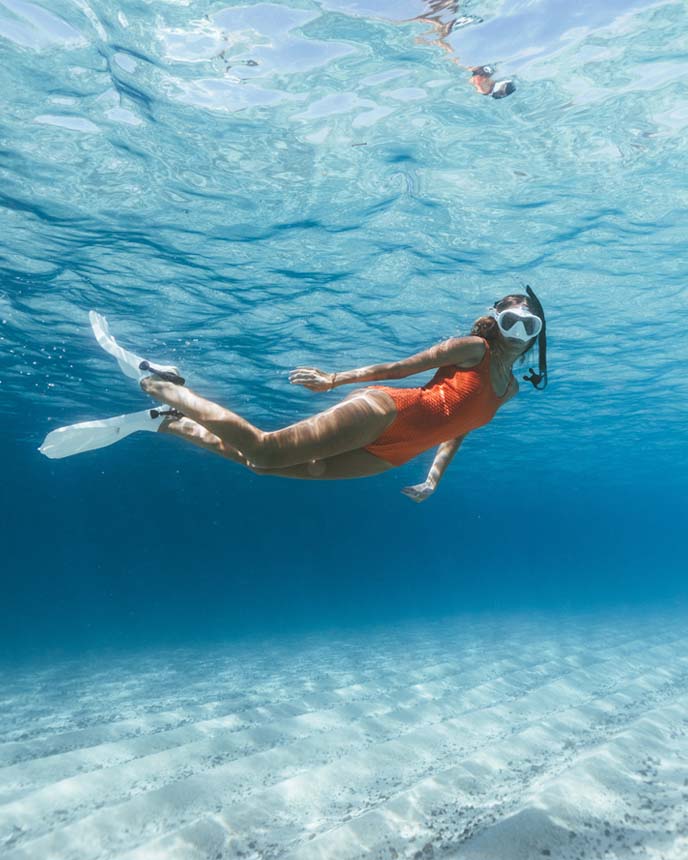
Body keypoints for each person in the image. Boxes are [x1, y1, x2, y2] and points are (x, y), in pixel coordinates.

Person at [40, 290, 548, 502]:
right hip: (387, 412)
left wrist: (433, 479)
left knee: (264, 467)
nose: (518, 332)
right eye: (511, 321)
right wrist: (335, 379)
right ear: (494, 321)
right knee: (265, 449)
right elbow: (402, 367)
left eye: (529, 326)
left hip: (395, 454)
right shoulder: (473, 348)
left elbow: (458, 430)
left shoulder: (509, 390)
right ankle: (160, 381)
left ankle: (164, 420)